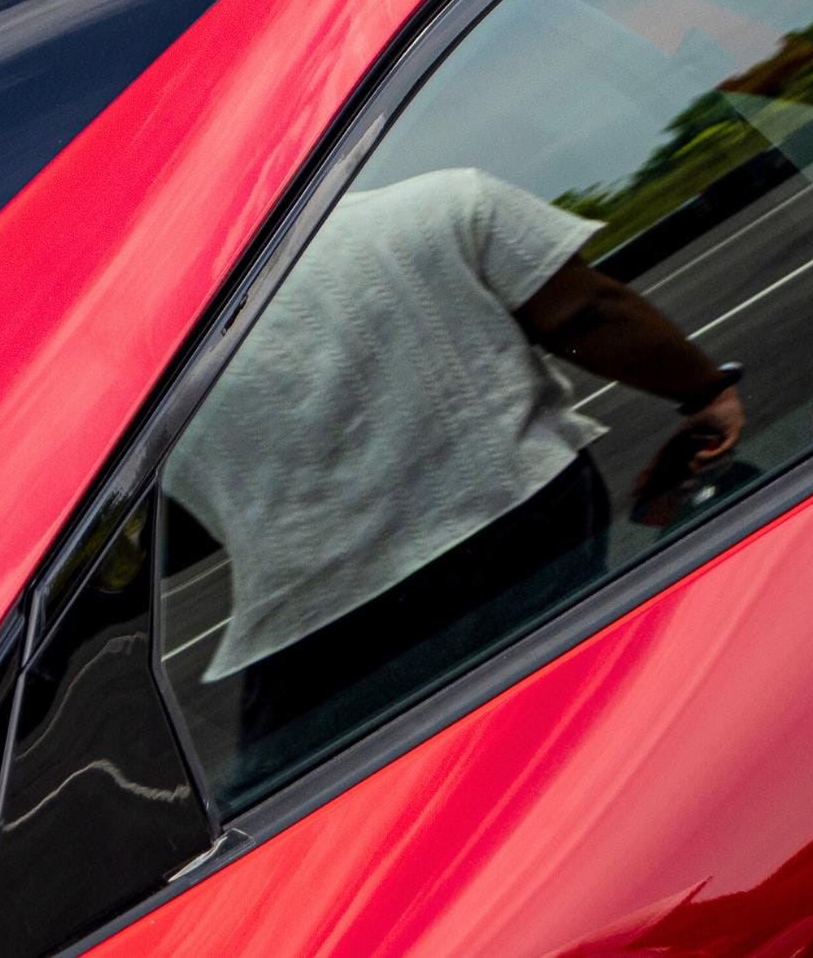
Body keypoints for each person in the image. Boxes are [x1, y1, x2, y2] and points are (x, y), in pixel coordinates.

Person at [166, 166, 742, 789]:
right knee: (568, 723)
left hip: (321, 624)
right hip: (525, 524)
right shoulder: (443, 205)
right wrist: (702, 391)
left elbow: (158, 537)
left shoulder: (149, 363)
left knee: (319, 802)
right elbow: (583, 316)